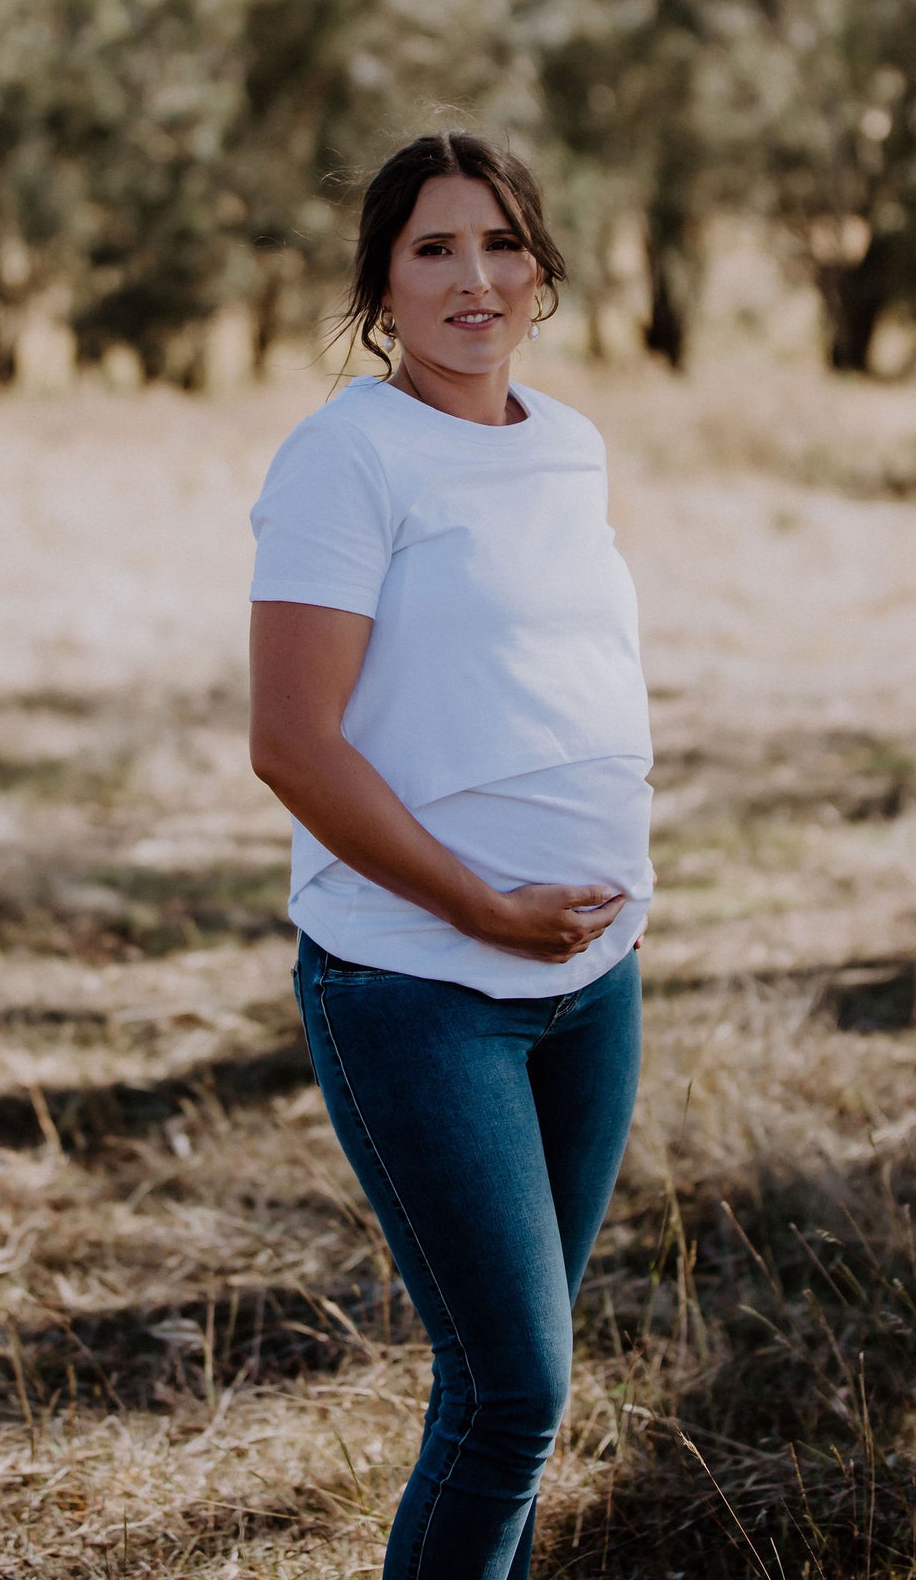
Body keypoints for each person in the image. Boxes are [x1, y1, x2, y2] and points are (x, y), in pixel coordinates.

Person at [247, 130, 653, 1580]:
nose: (471, 276)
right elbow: (291, 744)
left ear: (539, 267)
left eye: (498, 242)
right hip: (417, 985)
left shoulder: (567, 440)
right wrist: (484, 905)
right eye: (430, 248)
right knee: (509, 1397)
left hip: (592, 980)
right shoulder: (344, 456)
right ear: (381, 285)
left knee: (518, 1405)